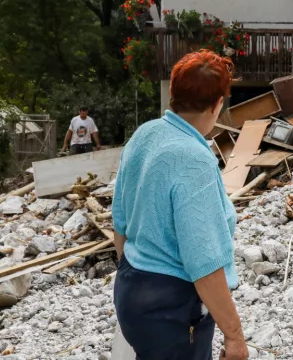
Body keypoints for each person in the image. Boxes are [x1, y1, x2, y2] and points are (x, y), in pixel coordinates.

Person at [112, 50, 249, 360]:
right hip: (169, 309)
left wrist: (134, 273)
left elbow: (120, 221)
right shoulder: (193, 159)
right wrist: (235, 337)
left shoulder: (145, 134)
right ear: (217, 105)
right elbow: (204, 264)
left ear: (173, 94)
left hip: (131, 289)